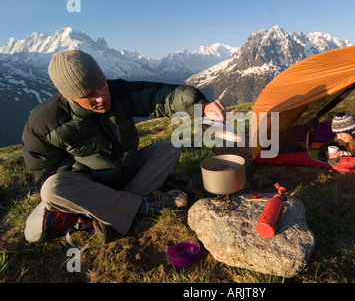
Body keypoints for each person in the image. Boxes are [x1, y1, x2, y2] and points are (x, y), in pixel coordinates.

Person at [22, 49, 226, 243]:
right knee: (51, 190)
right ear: (69, 97)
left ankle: (108, 210)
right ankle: (141, 205)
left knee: (169, 149)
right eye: (88, 95)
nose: (101, 97)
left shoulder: (118, 91)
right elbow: (44, 172)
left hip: (127, 171)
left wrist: (201, 106)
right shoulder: (45, 122)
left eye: (102, 85)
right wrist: (85, 173)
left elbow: (160, 96)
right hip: (89, 185)